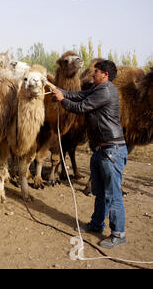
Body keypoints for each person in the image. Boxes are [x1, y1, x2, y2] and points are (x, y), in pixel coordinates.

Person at [50, 60, 128, 249]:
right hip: (102, 149)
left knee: (113, 194)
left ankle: (118, 233)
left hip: (112, 150)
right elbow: (79, 95)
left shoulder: (106, 91)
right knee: (100, 191)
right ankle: (96, 224)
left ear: (105, 75)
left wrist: (62, 99)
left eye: (97, 72)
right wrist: (59, 90)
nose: (93, 74)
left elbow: (81, 106)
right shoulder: (97, 88)